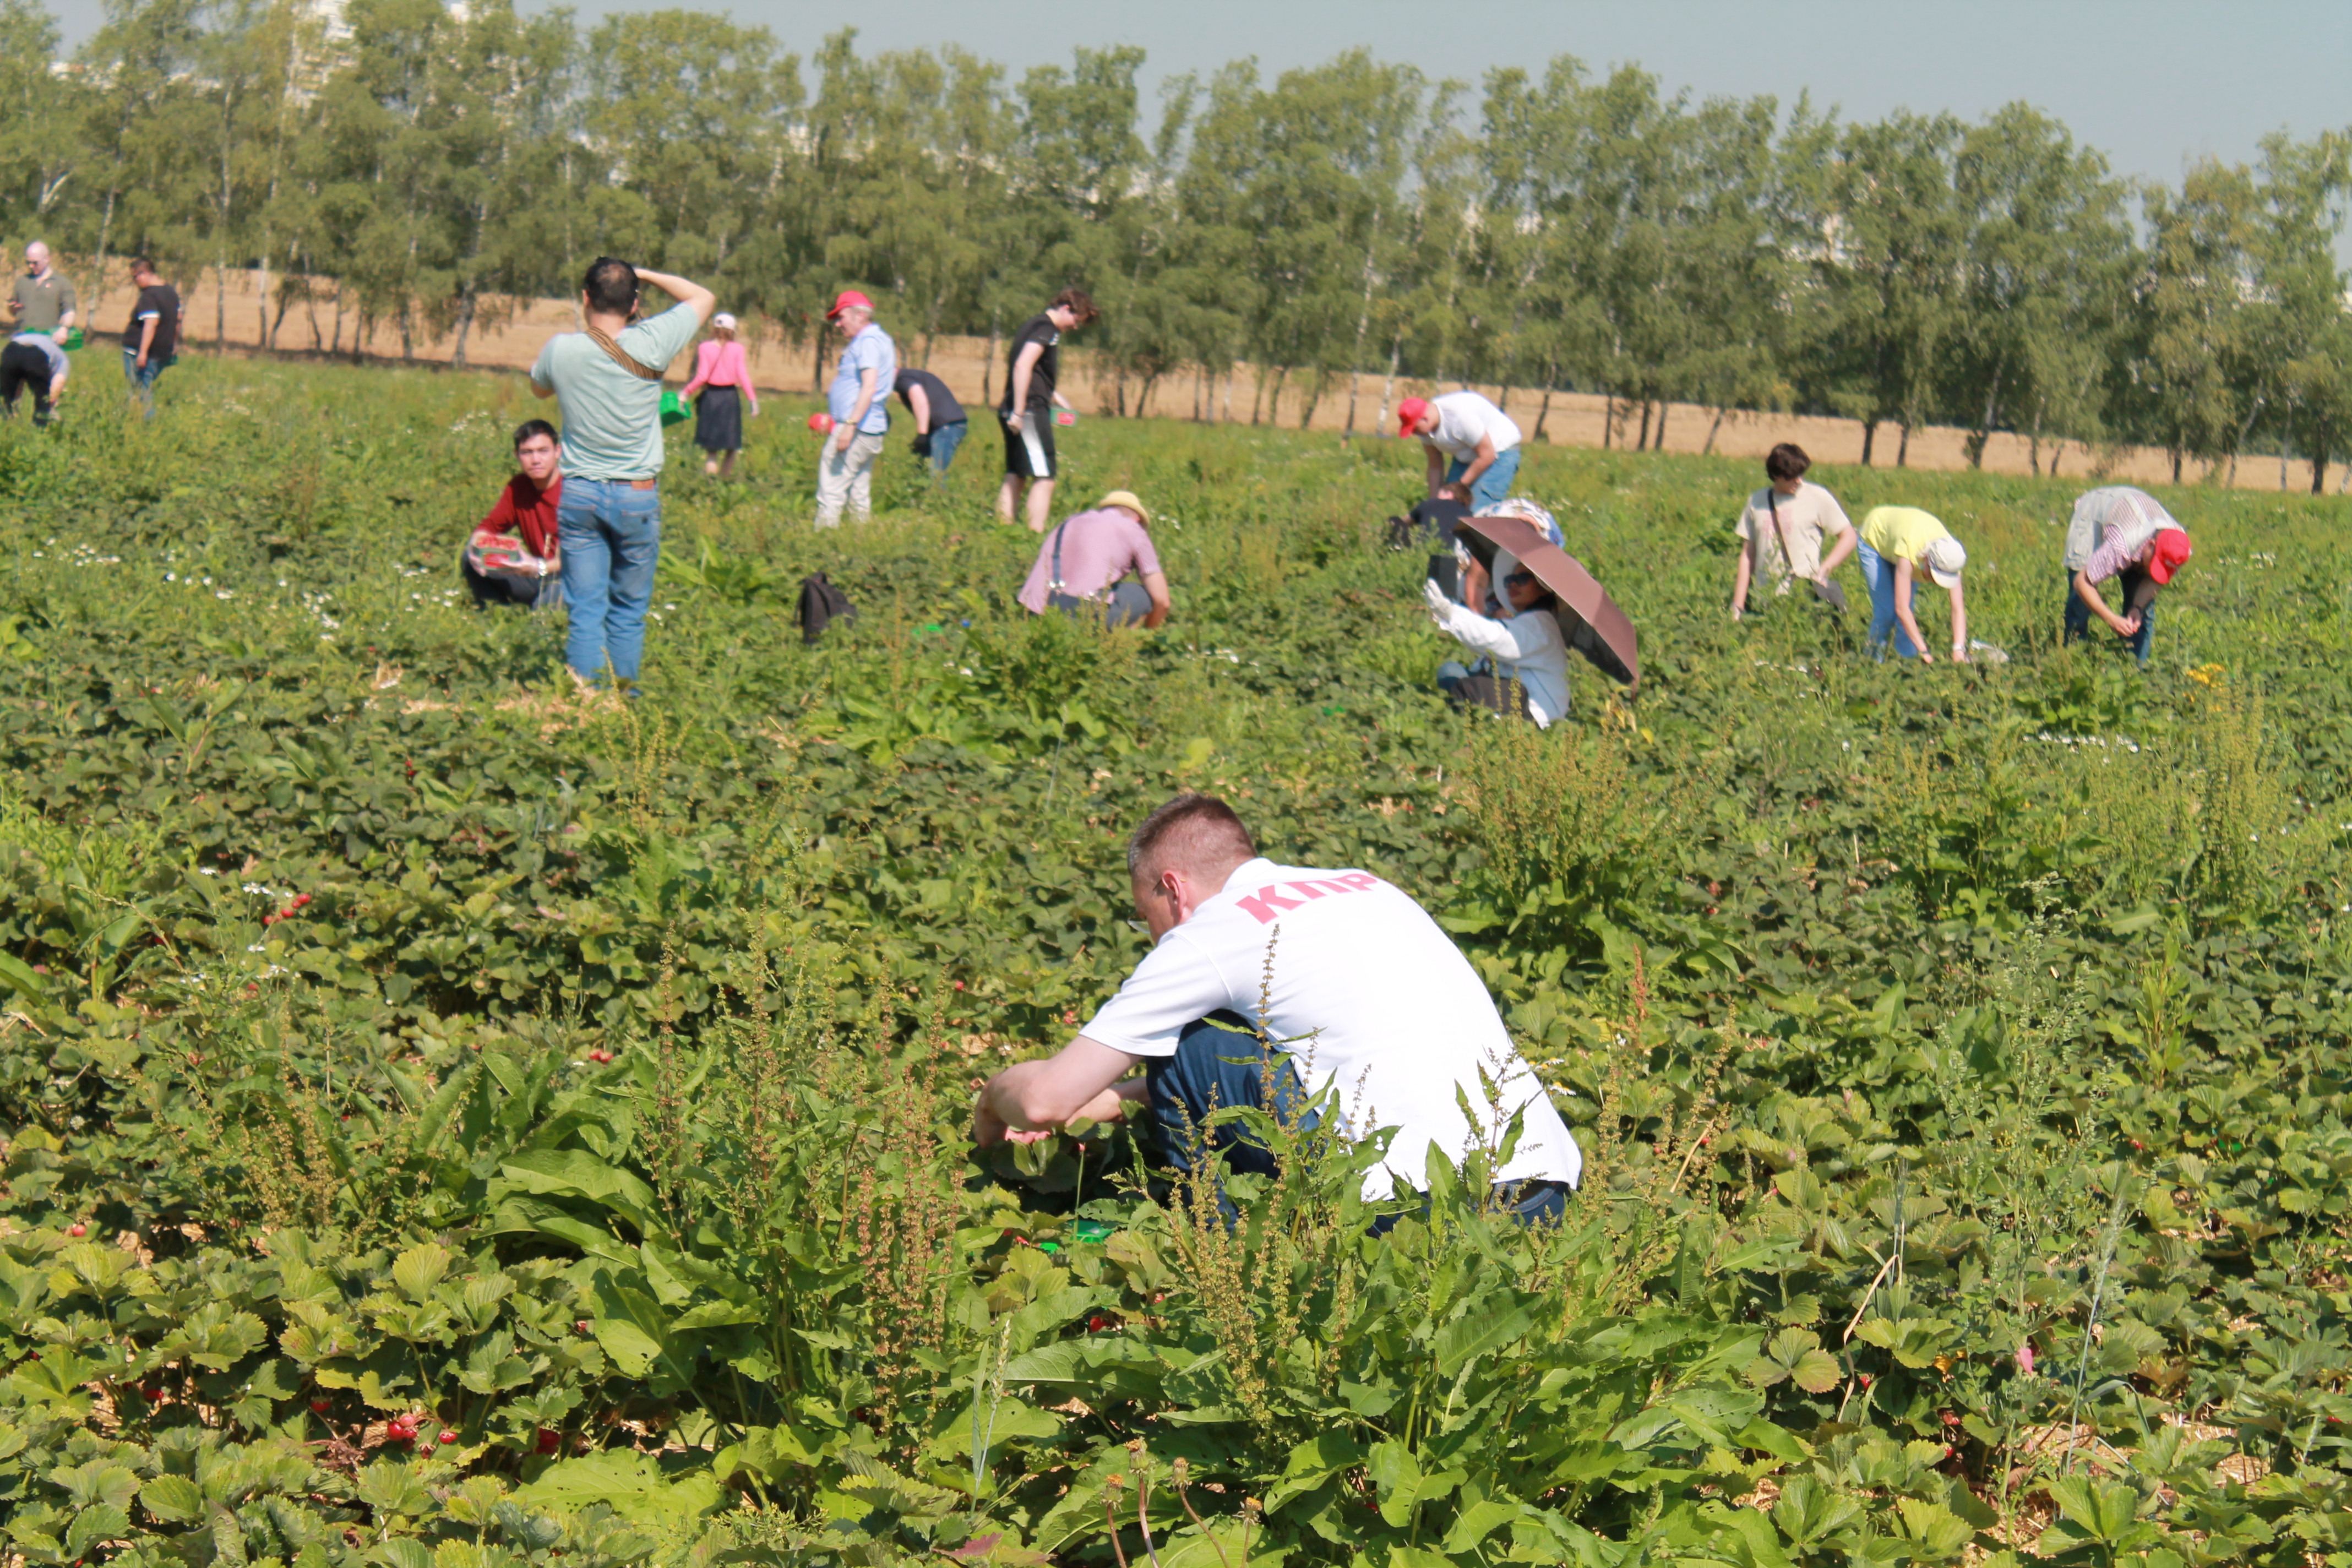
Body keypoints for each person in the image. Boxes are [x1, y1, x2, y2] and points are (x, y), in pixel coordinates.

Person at [972, 794, 1579, 1219]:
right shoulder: (1365, 885)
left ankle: (1226, 1266)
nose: (1152, 934)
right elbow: (1348, 1048)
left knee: (1192, 1044)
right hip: (1541, 1195)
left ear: (1173, 889)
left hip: (1416, 1215)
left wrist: (990, 1101)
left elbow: (1042, 1101)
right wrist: (1120, 1097)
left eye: (1145, 915)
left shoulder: (1211, 933)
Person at [529, 255, 714, 692]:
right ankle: (622, 703)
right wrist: (643, 275)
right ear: (634, 304)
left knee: (585, 609)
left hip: (579, 495)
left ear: (585, 297)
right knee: (628, 609)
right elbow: (703, 296)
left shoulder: (561, 349)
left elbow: (538, 387)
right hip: (636, 496)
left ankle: (585, 701)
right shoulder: (655, 340)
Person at [1422, 559, 1570, 726]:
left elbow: (1495, 640)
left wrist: (1449, 612)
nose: (1513, 584)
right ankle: (1469, 720)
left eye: (1522, 579)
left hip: (1537, 713)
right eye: (1509, 580)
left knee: (1462, 684)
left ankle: (1472, 727)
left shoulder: (1540, 625)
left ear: (1544, 588)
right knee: (1451, 671)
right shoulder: (1532, 621)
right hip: (1520, 696)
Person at [998, 287, 1098, 532]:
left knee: (1017, 473)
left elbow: (1032, 371)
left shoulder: (1032, 326)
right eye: (1077, 320)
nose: (1075, 327)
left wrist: (1055, 397)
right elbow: (1023, 366)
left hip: (1013, 407)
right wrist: (1020, 413)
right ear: (1066, 309)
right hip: (1028, 411)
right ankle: (1034, 536)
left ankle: (1002, 531)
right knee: (1045, 477)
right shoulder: (1047, 330)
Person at [2061, 486, 2192, 665]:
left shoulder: (2179, 548)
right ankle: (2072, 665)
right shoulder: (2120, 545)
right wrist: (2110, 618)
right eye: (2156, 564)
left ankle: (2134, 673)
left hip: (2133, 523)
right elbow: (2082, 582)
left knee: (2143, 614)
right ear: (2151, 545)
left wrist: (2137, 607)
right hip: (2093, 517)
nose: (2155, 571)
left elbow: (2155, 581)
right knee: (2080, 605)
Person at [1730, 443, 1856, 619]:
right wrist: (1737, 606)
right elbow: (1747, 556)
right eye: (1791, 477)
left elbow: (1849, 536)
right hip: (1765, 602)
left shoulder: (1817, 497)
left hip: (1805, 600)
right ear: (1775, 475)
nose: (1798, 480)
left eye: (1800, 474)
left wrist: (1824, 570)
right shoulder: (1756, 501)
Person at [1016, 489, 1170, 628]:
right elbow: (1162, 600)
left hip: (1035, 610)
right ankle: (1111, 642)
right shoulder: (1135, 531)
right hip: (1083, 615)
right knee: (1140, 593)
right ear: (1137, 520)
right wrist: (1150, 632)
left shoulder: (1069, 521)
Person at [461, 420, 563, 610]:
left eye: (543, 451)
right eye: (527, 452)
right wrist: (478, 544)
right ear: (517, 455)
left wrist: (540, 567)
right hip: (534, 573)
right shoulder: (519, 487)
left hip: (571, 576)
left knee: (543, 612)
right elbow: (490, 526)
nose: (535, 460)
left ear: (558, 451)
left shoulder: (575, 489)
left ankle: (535, 615)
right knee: (471, 555)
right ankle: (495, 616)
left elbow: (587, 556)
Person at [816, 290, 895, 529]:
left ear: (860, 315)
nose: (838, 324)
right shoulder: (880, 339)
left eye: (842, 317)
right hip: (870, 428)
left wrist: (850, 426)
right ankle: (860, 539)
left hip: (857, 428)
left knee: (831, 488)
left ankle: (823, 540)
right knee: (859, 491)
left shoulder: (868, 342)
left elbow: (869, 387)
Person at [1856, 505, 1968, 663]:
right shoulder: (1910, 551)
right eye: (1935, 575)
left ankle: (1908, 666)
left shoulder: (1952, 557)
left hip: (1902, 538)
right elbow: (1902, 609)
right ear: (1927, 560)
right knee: (1887, 613)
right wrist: (1925, 652)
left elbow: (1958, 608)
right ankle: (1871, 664)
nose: (1935, 582)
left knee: (1906, 620)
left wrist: (1959, 649)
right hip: (1875, 539)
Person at [1399, 390, 1522, 514]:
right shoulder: (1425, 430)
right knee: (1447, 511)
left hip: (1499, 452)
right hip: (1468, 455)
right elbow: (1435, 466)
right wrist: (1433, 503)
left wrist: (1457, 490)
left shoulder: (1459, 418)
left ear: (1425, 419)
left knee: (1476, 514)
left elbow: (1487, 455)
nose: (1413, 433)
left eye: (1414, 428)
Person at [680, 312, 758, 480]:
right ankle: (724, 481)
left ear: (714, 329)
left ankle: (711, 484)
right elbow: (742, 375)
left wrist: (685, 393)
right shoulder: (738, 349)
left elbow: (702, 377)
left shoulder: (704, 347)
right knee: (731, 447)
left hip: (711, 398)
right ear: (733, 331)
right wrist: (753, 400)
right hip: (730, 398)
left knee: (712, 450)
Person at [122, 257, 182, 419]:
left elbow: (151, 324)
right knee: (142, 388)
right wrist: (174, 343)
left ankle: (145, 423)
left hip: (142, 353)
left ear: (145, 273)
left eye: (135, 277)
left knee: (141, 389)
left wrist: (143, 352)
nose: (135, 281)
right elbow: (178, 320)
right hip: (162, 352)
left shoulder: (150, 295)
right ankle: (134, 418)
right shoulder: (171, 292)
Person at [895, 364, 967, 475]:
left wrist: (922, 434)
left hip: (947, 426)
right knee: (922, 471)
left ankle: (938, 492)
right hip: (944, 426)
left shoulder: (902, 379)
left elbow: (920, 400)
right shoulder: (910, 375)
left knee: (936, 474)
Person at [0, 330, 69, 428]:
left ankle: (7, 425)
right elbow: (58, 382)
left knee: (7, 397)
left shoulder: (36, 337)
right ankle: (40, 428)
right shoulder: (62, 357)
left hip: (10, 349)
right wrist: (51, 404)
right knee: (43, 398)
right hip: (35, 353)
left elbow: (19, 379)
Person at [9, 243, 76, 338]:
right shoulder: (22, 281)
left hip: (47, 340)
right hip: (22, 338)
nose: (31, 266)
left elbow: (69, 311)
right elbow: (14, 311)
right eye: (28, 262)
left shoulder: (62, 283)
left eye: (35, 263)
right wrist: (12, 308)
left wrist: (64, 329)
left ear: (47, 259)